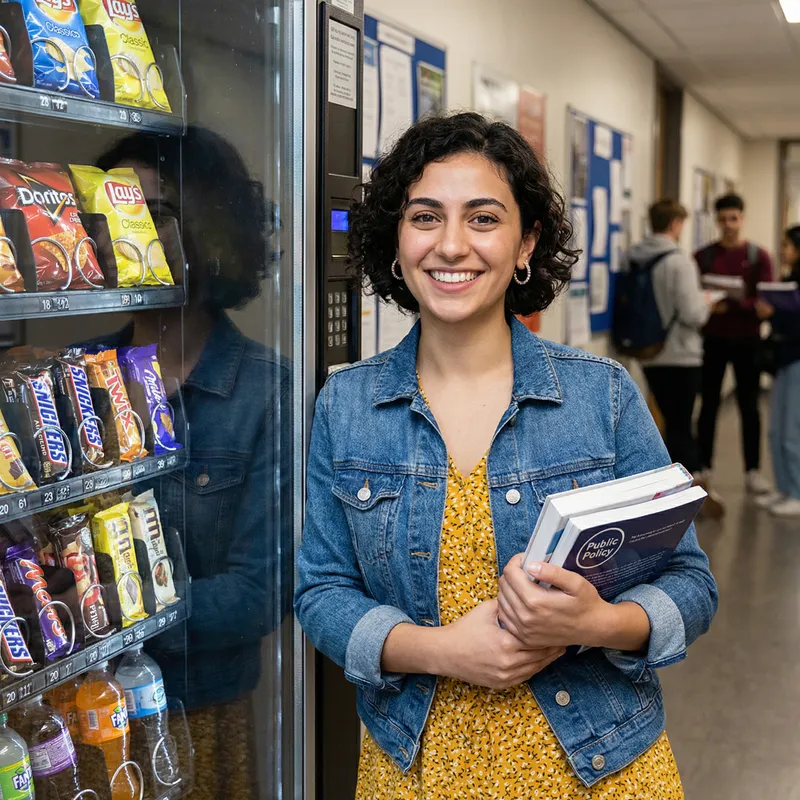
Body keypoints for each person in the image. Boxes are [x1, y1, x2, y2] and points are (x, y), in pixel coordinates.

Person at [295, 113, 717, 799]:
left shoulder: (601, 396)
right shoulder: (346, 405)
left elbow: (692, 584)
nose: (452, 245)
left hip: (600, 768)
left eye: (484, 219)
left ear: (526, 244)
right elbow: (321, 593)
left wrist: (599, 623)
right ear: (396, 245)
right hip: (416, 771)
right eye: (426, 217)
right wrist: (442, 651)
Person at [93, 128, 292, 798]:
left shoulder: (268, 392)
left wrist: (101, 608)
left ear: (211, 231)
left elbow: (257, 596)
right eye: (108, 212)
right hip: (70, 714)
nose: (124, 235)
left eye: (150, 214)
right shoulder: (71, 377)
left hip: (196, 715)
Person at [630, 199, 723, 517]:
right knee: (682, 425)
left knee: (668, 422)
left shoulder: (635, 256)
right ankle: (692, 495)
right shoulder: (679, 261)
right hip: (681, 355)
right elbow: (693, 314)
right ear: (675, 224)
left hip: (650, 353)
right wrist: (707, 301)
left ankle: (670, 491)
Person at [695, 194, 774, 496]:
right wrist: (713, 305)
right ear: (716, 220)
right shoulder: (703, 256)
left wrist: (735, 305)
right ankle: (703, 467)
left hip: (747, 341)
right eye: (723, 219)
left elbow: (764, 300)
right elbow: (696, 294)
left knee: (748, 406)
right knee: (710, 404)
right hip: (713, 339)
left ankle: (752, 471)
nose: (728, 225)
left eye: (734, 219)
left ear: (742, 219)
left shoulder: (758, 257)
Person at [754, 226, 800, 517]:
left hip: (797, 359)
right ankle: (783, 487)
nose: (783, 250)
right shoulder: (789, 277)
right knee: (776, 430)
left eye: (788, 245)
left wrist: (776, 313)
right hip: (783, 359)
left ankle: (796, 491)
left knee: (791, 431)